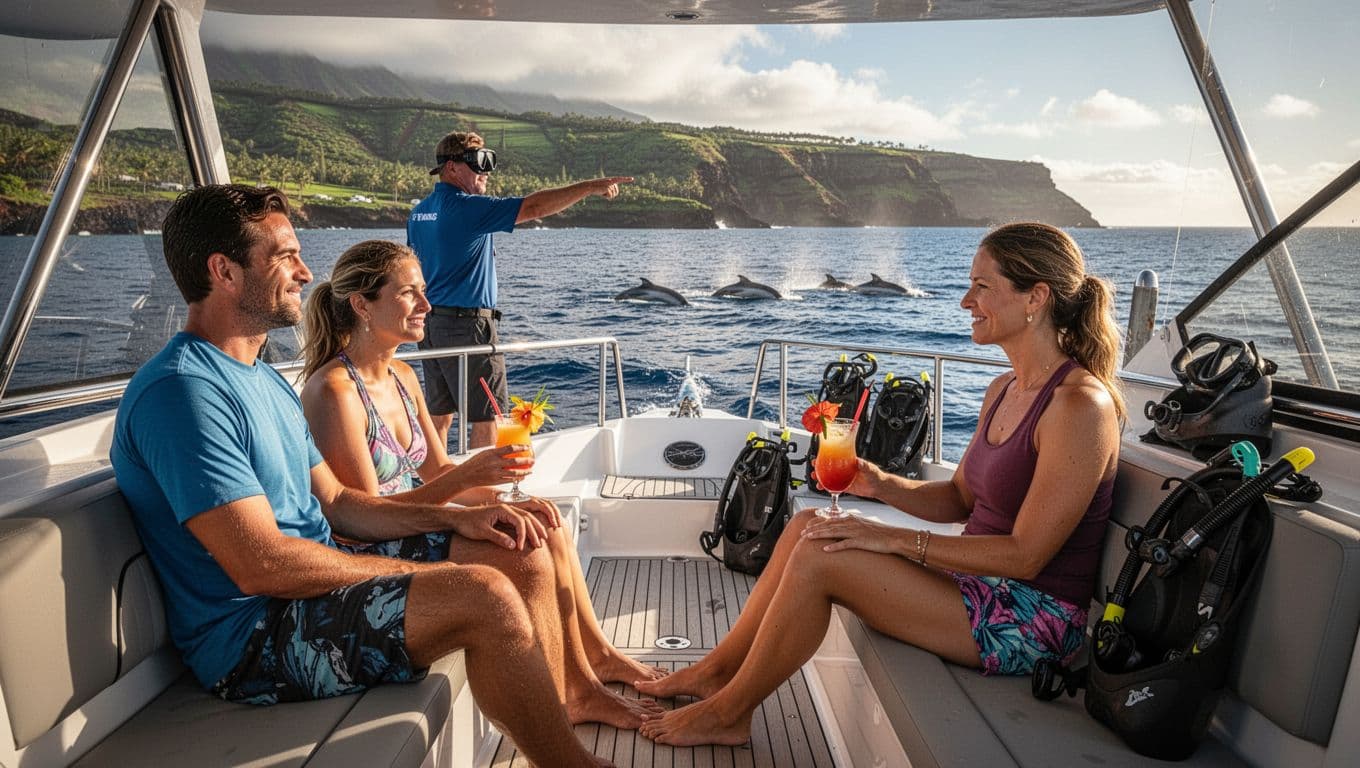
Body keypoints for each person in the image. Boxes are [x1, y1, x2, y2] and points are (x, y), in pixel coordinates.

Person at [109, 184, 612, 768]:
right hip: (256, 640)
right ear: (223, 270)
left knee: (513, 547)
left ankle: (561, 720)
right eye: (285, 256)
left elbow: (341, 503)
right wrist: (420, 572)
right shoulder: (184, 393)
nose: (305, 271)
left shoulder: (263, 379)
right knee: (485, 592)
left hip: (308, 593)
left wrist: (467, 519)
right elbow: (261, 565)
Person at [638, 222, 1125, 746]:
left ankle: (728, 714)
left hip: (1032, 618)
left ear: (1037, 297)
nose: (966, 301)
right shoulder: (1003, 388)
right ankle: (715, 672)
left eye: (983, 286)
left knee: (825, 556)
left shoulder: (1080, 407)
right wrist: (878, 483)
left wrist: (889, 538)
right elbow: (960, 498)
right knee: (808, 523)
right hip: (975, 585)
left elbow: (1026, 556)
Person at [299, 238, 666, 727]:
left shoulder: (404, 375)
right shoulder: (334, 391)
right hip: (373, 548)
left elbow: (437, 473)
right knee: (522, 548)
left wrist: (494, 494)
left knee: (542, 521)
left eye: (423, 292)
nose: (427, 306)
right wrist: (468, 485)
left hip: (415, 523)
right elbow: (363, 517)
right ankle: (575, 691)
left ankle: (595, 657)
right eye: (410, 294)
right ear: (362, 304)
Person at [409, 130, 633, 449]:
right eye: (477, 162)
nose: (485, 171)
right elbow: (535, 207)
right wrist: (590, 187)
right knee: (489, 415)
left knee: (439, 414)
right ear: (451, 167)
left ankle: (437, 483)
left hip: (431, 325)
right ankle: (483, 491)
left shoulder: (419, 213)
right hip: (468, 327)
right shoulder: (466, 208)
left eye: (488, 161)